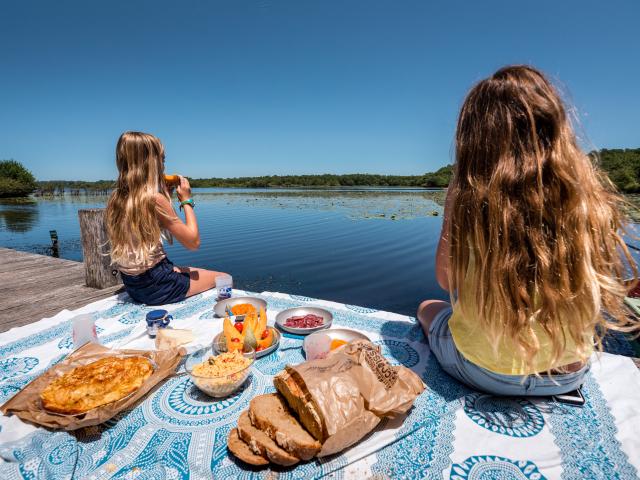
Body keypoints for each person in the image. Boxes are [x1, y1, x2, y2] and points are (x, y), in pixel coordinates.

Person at [417, 65, 639, 396]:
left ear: (474, 138)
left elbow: (446, 280)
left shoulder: (467, 196)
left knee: (427, 307)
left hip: (487, 373)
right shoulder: (586, 198)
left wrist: (452, 209)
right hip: (570, 374)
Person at [105, 131, 227, 305]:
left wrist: (165, 195)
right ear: (151, 163)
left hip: (134, 285)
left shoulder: (117, 198)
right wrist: (186, 200)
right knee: (223, 277)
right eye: (161, 160)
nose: (163, 165)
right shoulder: (155, 200)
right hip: (158, 285)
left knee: (199, 271)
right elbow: (193, 242)